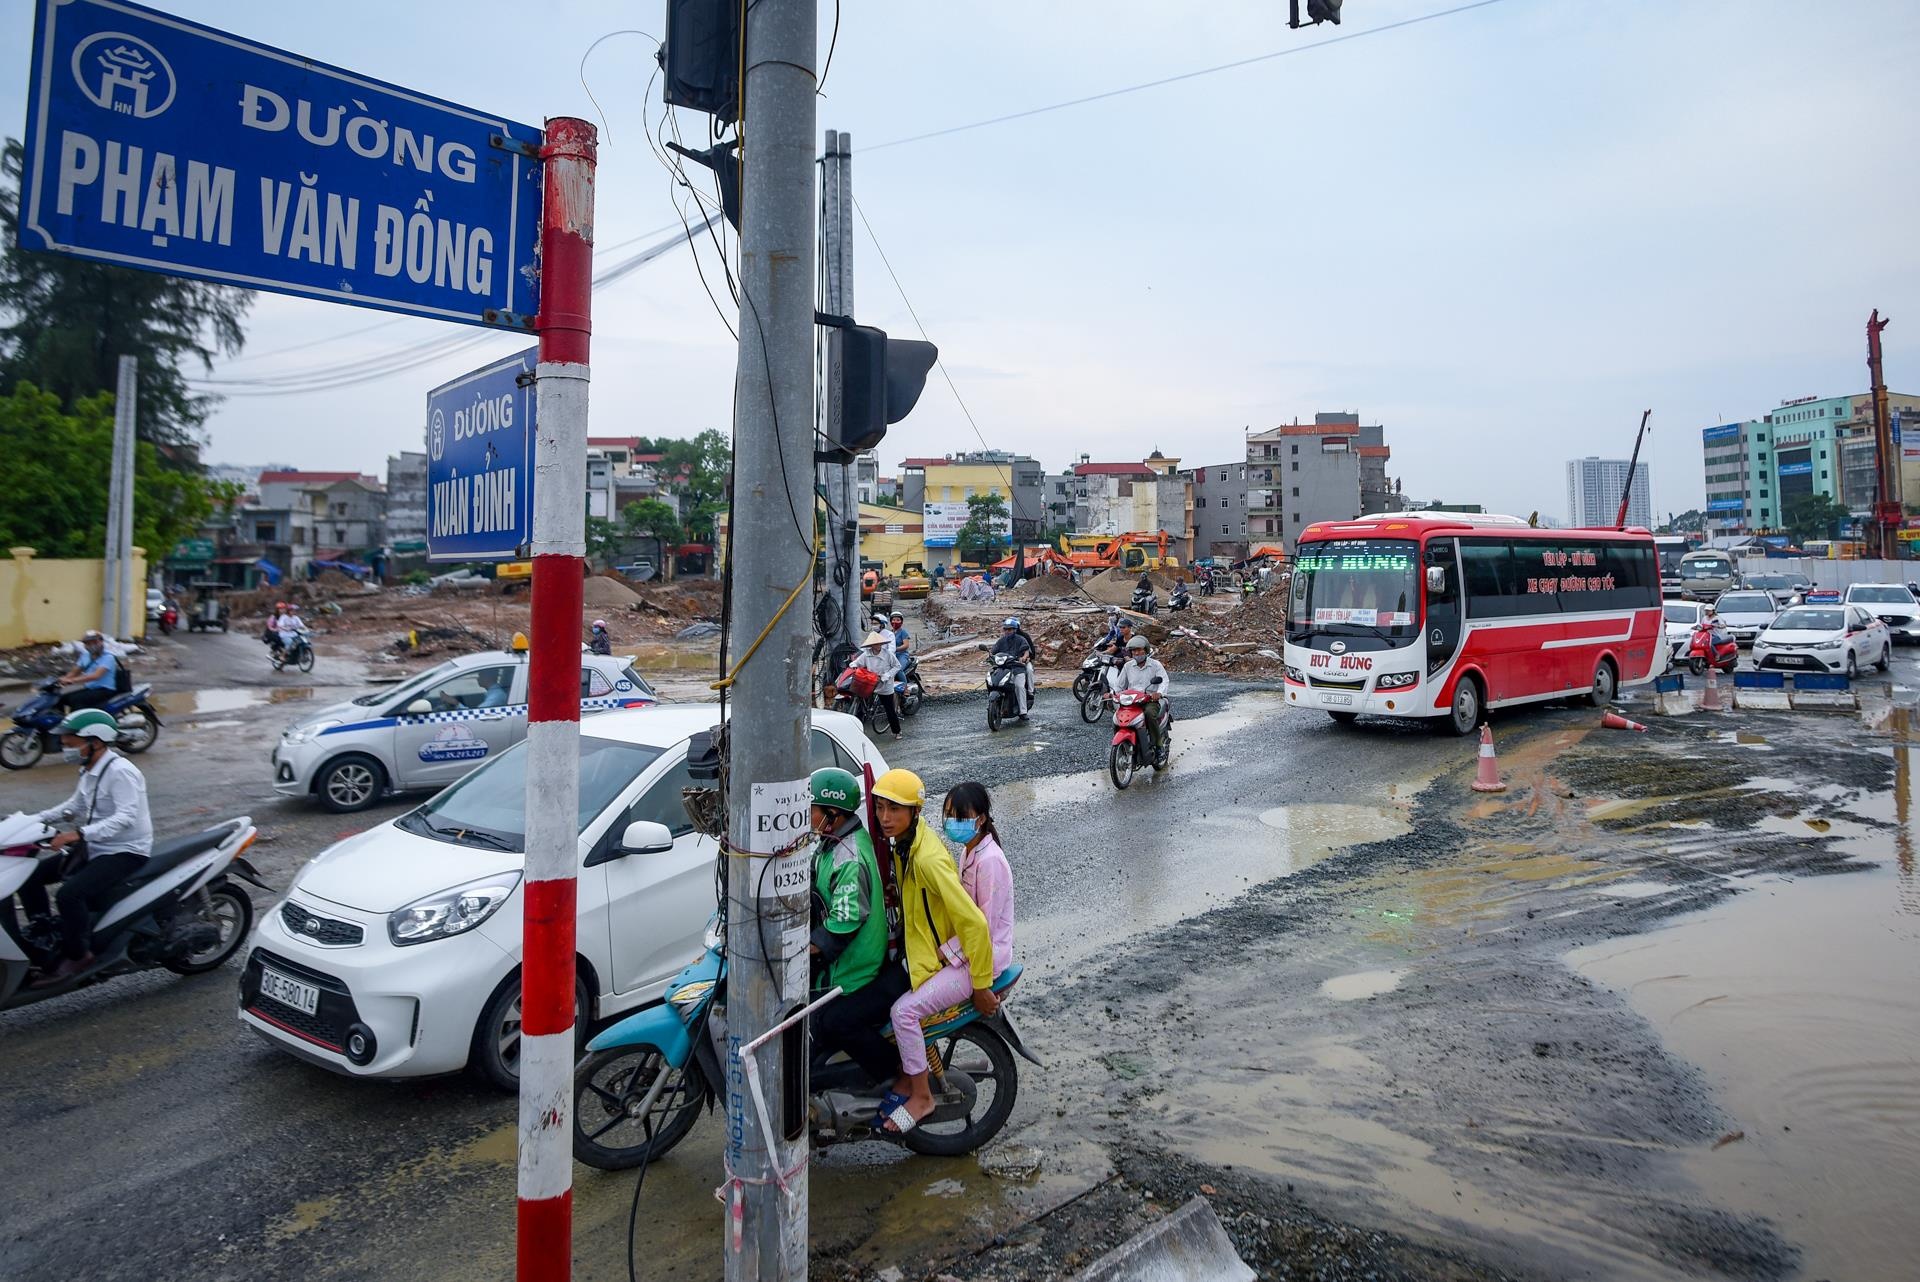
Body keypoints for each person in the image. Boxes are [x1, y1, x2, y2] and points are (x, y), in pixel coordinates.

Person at [867, 770, 994, 1135]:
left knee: (902, 1012)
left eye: (895, 809)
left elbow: (975, 923)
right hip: (934, 952)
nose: (885, 818)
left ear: (915, 812)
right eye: (880, 808)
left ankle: (921, 1096)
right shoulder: (907, 845)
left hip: (961, 962)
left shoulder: (927, 858)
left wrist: (981, 984)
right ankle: (909, 1077)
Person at [18, 708, 153, 985]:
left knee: (69, 895)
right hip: (96, 845)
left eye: (71, 742)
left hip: (125, 850)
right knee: (30, 876)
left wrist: (77, 834)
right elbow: (75, 806)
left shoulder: (121, 772)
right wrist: (29, 821)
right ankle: (44, 935)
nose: (65, 747)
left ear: (96, 740)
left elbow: (126, 817)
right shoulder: (90, 768)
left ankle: (79, 954)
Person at [806, 767, 908, 1082]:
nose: (806, 817)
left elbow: (844, 922)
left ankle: (897, 1075)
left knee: (831, 1023)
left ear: (832, 814)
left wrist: (804, 949)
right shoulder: (832, 841)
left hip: (855, 970)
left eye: (811, 810)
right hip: (844, 964)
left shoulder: (847, 858)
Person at [1107, 634, 1171, 761]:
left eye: (1139, 650)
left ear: (1146, 650)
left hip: (1150, 700)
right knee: (1118, 717)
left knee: (1149, 714)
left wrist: (1159, 693)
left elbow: (1164, 681)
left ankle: (1158, 746)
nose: (1137, 653)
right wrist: (1112, 694)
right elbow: (1119, 685)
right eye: (1134, 651)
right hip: (1131, 702)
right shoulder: (1128, 666)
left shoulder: (1155, 665)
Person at [53, 631, 119, 712]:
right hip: (90, 688)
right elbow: (75, 671)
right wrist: (63, 679)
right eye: (88, 643)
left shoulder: (108, 657)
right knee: (60, 699)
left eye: (95, 642)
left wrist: (72, 680)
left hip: (104, 690)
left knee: (76, 700)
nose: (92, 645)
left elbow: (96, 676)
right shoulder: (86, 655)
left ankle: (76, 723)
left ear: (101, 642)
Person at [852, 630, 901, 737]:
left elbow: (897, 666)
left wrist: (886, 676)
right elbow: (858, 662)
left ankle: (897, 731)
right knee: (861, 704)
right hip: (870, 682)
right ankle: (858, 729)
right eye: (875, 644)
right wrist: (853, 664)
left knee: (889, 710)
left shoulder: (888, 654)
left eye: (879, 643)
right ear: (871, 645)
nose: (877, 646)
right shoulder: (866, 654)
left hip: (885, 684)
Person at [991, 617, 1036, 719]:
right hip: (1004, 668)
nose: (1007, 631)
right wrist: (990, 657)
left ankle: (1023, 712)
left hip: (1017, 667)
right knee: (995, 683)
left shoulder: (1022, 639)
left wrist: (1024, 658)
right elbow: (993, 651)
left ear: (1015, 629)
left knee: (1019, 686)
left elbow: (1027, 651)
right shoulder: (1001, 641)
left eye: (1010, 629)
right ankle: (995, 705)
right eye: (1006, 629)